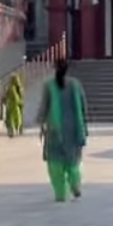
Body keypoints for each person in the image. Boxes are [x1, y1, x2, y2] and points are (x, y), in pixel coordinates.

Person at [37, 59, 88, 202]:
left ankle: (60, 193)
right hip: (74, 128)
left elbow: (44, 106)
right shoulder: (76, 84)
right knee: (73, 161)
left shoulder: (49, 85)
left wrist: (41, 123)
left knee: (55, 163)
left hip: (55, 129)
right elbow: (83, 106)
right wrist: (84, 125)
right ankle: (75, 185)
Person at [2, 73, 25, 138]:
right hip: (16, 105)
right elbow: (19, 96)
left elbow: (7, 96)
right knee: (17, 117)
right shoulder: (17, 87)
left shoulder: (11, 87)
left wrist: (4, 100)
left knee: (11, 118)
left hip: (13, 105)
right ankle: (17, 129)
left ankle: (14, 130)